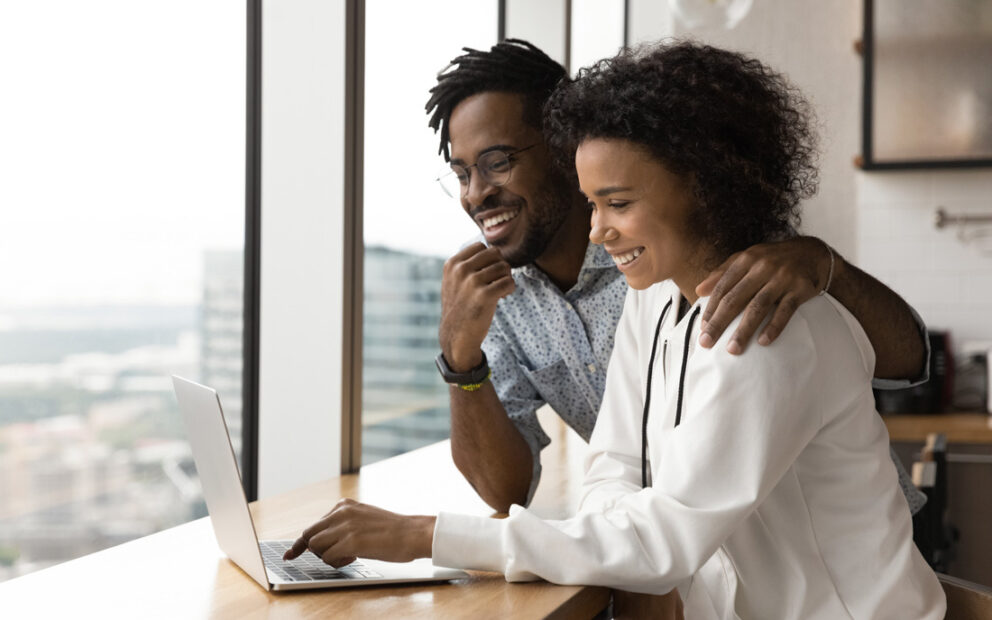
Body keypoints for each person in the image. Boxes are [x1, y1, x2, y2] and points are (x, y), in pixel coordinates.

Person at [286, 41, 945, 618]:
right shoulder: (654, 299)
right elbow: (615, 466)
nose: (600, 230)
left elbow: (665, 539)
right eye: (461, 172)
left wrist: (427, 536)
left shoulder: (766, 312)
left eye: (618, 203)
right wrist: (614, 552)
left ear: (703, 186)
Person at [424, 39, 927, 516]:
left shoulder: (682, 248)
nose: (475, 194)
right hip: (697, 565)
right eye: (463, 173)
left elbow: (907, 362)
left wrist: (825, 266)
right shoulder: (500, 300)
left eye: (497, 163)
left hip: (838, 552)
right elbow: (508, 491)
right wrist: (460, 359)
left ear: (564, 146)